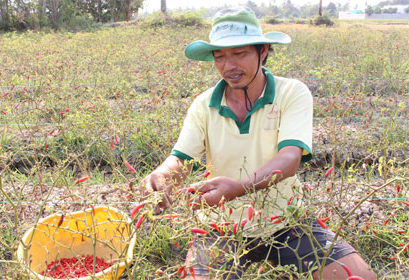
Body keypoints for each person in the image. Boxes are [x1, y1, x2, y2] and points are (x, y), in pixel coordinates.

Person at [142, 6, 376, 280]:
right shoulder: (203, 105)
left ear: (263, 50)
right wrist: (164, 175)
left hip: (286, 221)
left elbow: (289, 158)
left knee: (359, 277)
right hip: (221, 227)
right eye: (220, 57)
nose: (229, 66)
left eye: (239, 54)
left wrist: (240, 187)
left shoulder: (291, 93)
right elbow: (181, 158)